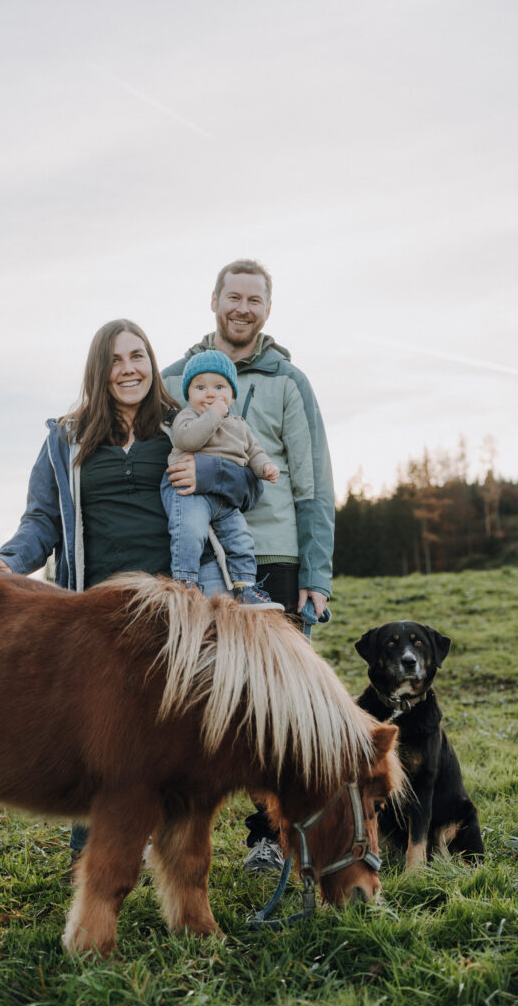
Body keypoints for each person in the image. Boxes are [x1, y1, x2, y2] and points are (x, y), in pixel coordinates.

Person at [0, 318, 262, 858]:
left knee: (175, 735)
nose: (129, 370)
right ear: (99, 372)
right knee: (100, 736)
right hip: (96, 611)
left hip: (176, 604)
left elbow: (246, 486)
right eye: (115, 361)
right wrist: (9, 561)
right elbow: (42, 520)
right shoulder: (65, 437)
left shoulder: (186, 422)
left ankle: (177, 861)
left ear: (153, 363)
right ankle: (93, 857)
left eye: (138, 357)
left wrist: (207, 476)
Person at [162, 260, 335, 873]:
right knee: (210, 695)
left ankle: (272, 833)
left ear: (267, 308)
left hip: (277, 555)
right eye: (232, 296)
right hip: (202, 554)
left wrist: (316, 572)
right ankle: (188, 829)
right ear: (213, 300)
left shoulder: (289, 382)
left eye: (254, 299)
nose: (242, 307)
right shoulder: (177, 376)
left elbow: (311, 480)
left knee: (281, 702)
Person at [161, 348, 283, 609]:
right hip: (191, 492)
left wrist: (266, 467)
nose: (210, 393)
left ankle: (245, 586)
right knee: (189, 531)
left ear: (231, 394)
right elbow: (189, 440)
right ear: (189, 394)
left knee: (241, 539)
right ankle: (185, 584)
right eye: (200, 387)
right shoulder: (188, 416)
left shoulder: (239, 424)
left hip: (225, 498)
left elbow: (254, 452)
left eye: (219, 386)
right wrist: (213, 414)